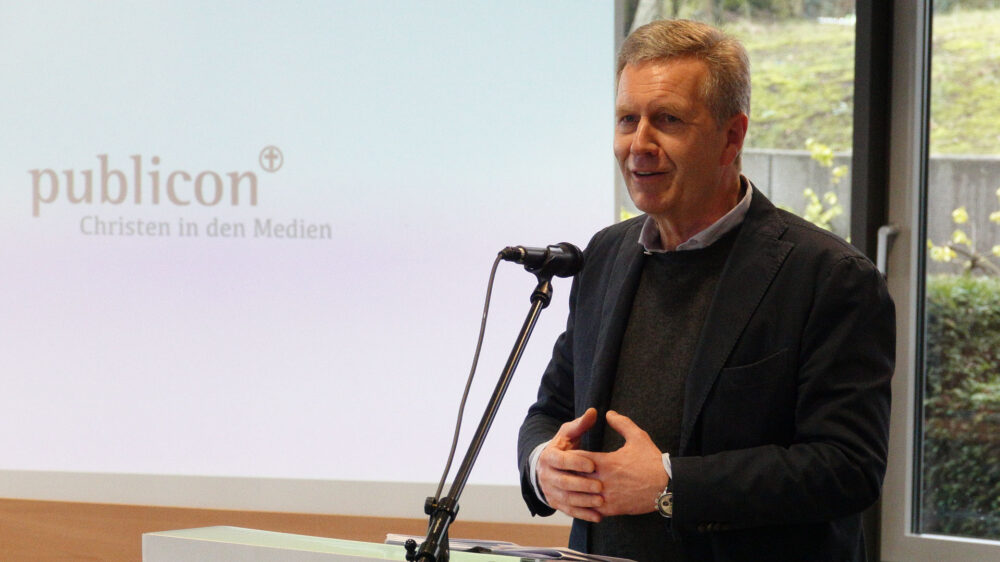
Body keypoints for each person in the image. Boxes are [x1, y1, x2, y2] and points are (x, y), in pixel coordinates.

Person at [516, 19, 895, 562]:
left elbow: (847, 467)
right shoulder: (604, 254)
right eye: (628, 120)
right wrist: (542, 465)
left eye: (667, 120)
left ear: (732, 137)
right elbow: (550, 410)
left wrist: (672, 483)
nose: (638, 145)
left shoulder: (829, 276)